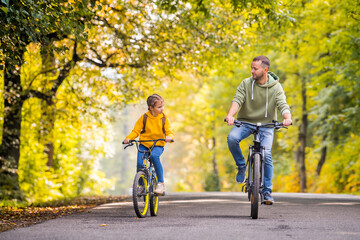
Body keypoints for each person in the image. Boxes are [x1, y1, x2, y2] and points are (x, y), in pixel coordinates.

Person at [225, 56, 292, 204]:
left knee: (266, 154)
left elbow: (283, 104)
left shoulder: (276, 87)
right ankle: (241, 166)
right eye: (251, 68)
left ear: (265, 70)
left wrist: (287, 118)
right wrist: (230, 116)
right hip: (245, 122)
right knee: (232, 138)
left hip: (267, 125)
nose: (252, 71)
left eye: (255, 68)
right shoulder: (246, 84)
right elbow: (237, 100)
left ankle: (267, 192)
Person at [123, 94, 174, 195]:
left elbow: (169, 131)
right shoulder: (144, 117)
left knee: (155, 156)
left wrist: (169, 137)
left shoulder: (163, 118)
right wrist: (129, 138)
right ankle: (141, 185)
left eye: (162, 106)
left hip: (158, 144)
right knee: (140, 164)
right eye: (159, 107)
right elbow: (136, 131)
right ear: (151, 108)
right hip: (144, 144)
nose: (162, 109)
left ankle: (161, 183)